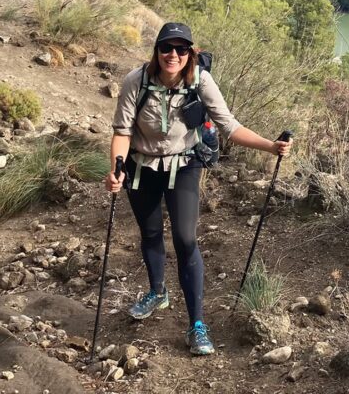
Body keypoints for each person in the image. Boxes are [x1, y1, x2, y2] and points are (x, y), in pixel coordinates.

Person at [105, 22, 292, 356]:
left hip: (184, 164)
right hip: (140, 166)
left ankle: (196, 325)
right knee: (149, 234)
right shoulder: (137, 81)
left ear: (190, 53)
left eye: (181, 49)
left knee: (186, 239)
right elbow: (122, 131)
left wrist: (269, 146)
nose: (172, 55)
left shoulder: (200, 81)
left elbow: (229, 127)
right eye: (167, 48)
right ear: (157, 51)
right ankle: (157, 292)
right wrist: (116, 168)